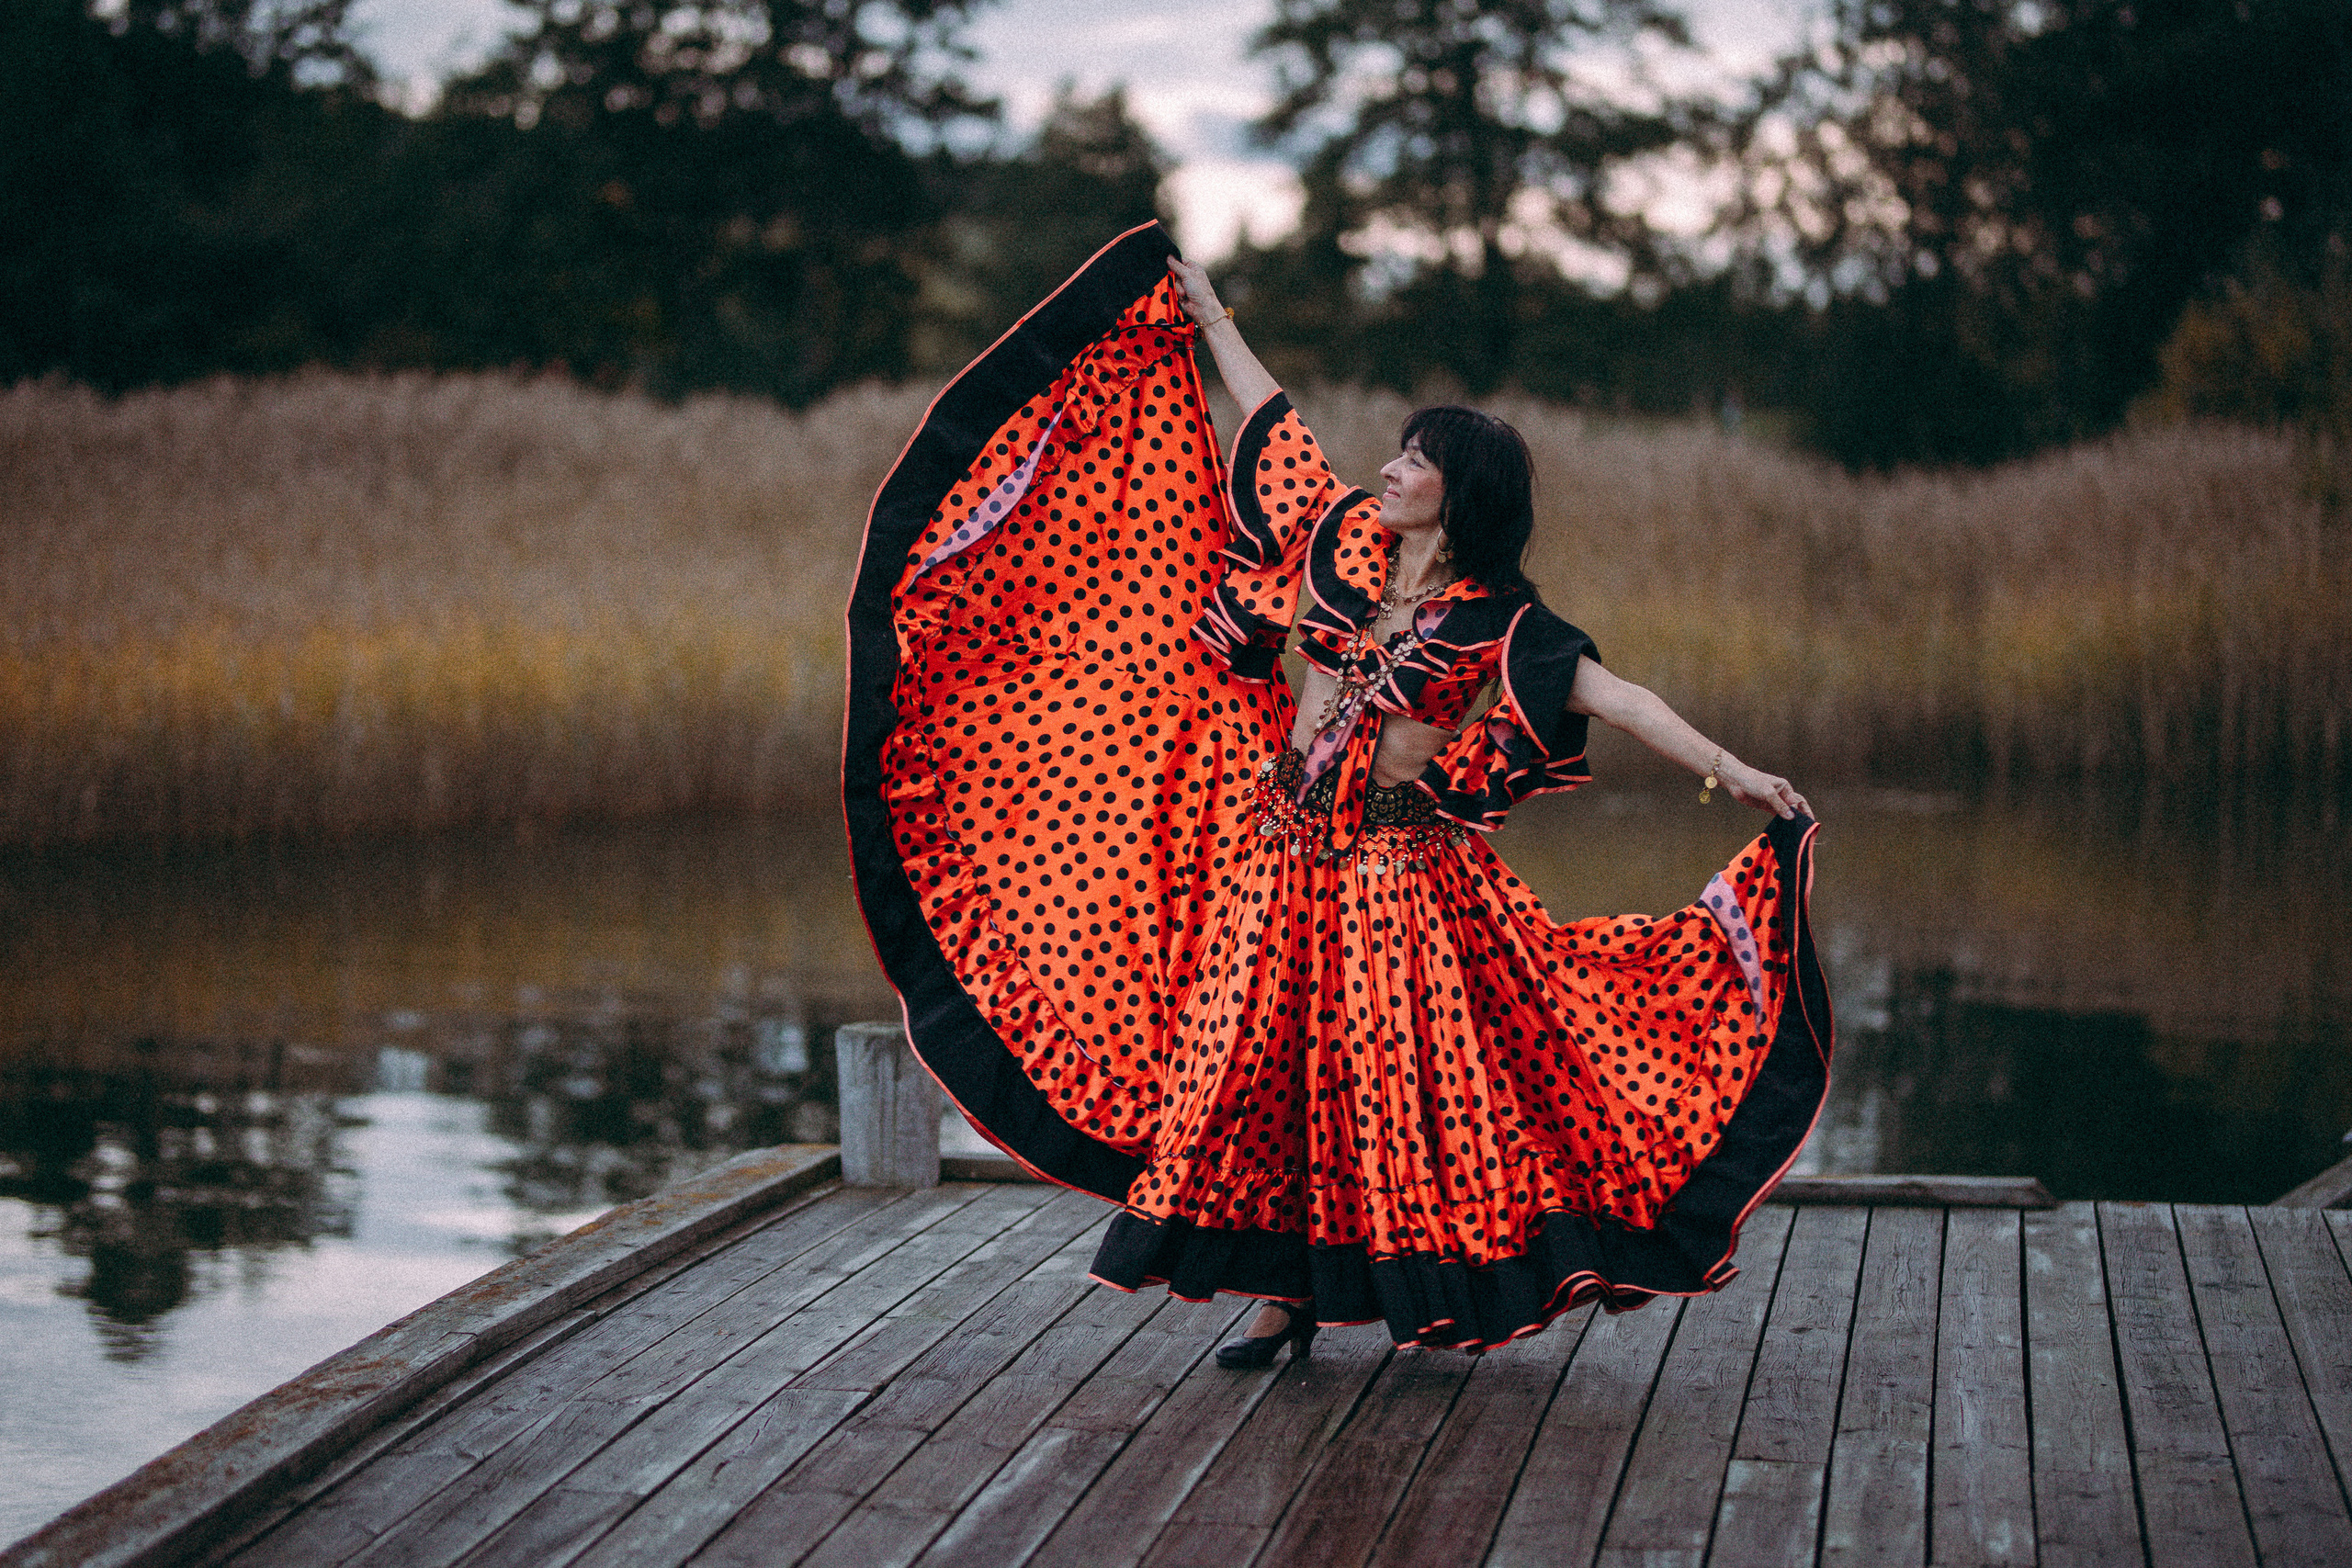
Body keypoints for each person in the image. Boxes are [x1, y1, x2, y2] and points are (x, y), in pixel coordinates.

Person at [843, 223, 1831, 1359]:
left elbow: (1626, 702)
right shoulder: (1338, 545)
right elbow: (1271, 421)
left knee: (1376, 1083)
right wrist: (1209, 312)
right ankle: (1286, 1297)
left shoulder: (1500, 622)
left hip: (1390, 877)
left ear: (1461, 498)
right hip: (1277, 855)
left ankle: (1432, 1281)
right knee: (1253, 1071)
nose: (1390, 468)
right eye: (1397, 454)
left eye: (1415, 460)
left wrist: (1741, 774)